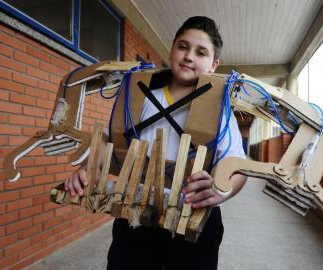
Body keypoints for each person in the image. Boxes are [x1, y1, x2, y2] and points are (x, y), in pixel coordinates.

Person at [65, 16, 247, 270]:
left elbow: (237, 167)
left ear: (213, 64)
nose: (189, 56)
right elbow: (110, 143)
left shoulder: (221, 110)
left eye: (201, 52)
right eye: (183, 46)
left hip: (193, 218)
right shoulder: (138, 95)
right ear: (172, 49)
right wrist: (89, 169)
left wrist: (220, 190)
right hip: (135, 215)